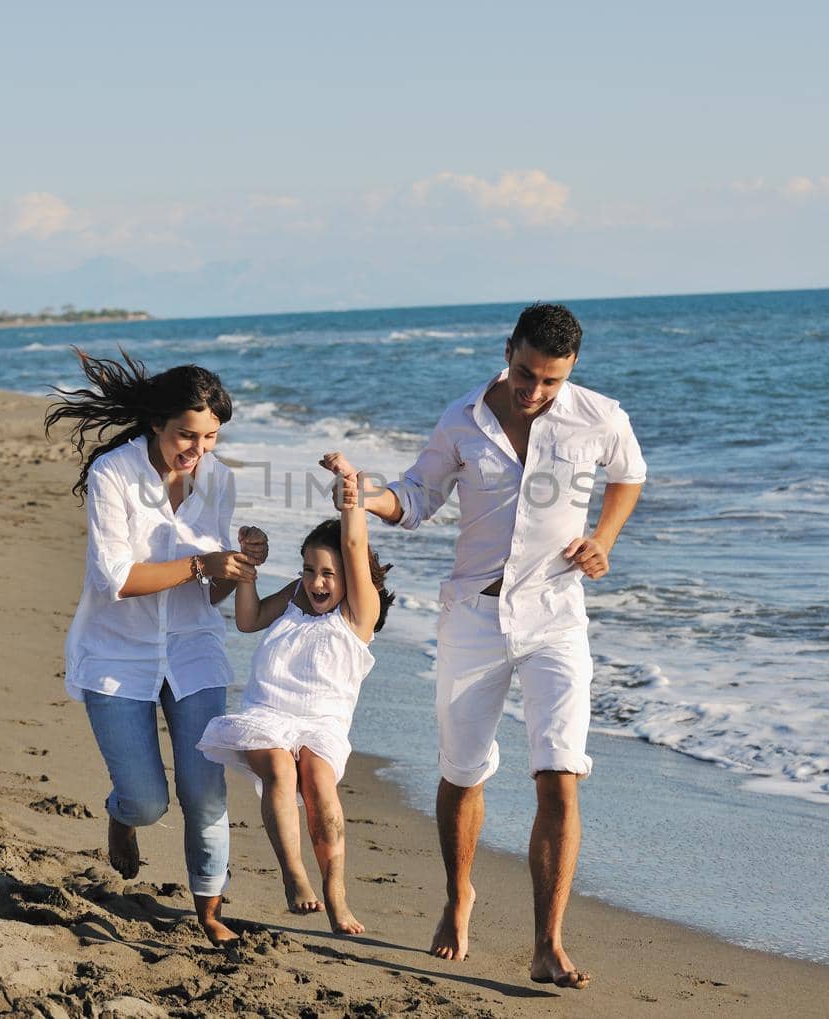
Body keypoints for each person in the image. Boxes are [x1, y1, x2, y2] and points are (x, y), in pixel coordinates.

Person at [353, 304, 645, 987]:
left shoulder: (599, 415)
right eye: (524, 373)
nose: (534, 392)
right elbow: (416, 497)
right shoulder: (462, 418)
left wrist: (603, 539)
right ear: (507, 349)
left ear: (570, 370)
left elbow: (629, 473)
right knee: (462, 771)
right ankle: (460, 896)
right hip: (472, 619)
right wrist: (367, 496)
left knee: (560, 774)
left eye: (549, 381)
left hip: (556, 616)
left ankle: (548, 941)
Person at [44, 348, 267, 945]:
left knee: (205, 790)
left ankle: (209, 911)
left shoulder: (219, 481)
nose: (197, 452)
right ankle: (122, 818)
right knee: (147, 802)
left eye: (211, 437)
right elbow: (117, 579)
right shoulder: (113, 475)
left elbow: (212, 595)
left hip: (195, 650)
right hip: (116, 655)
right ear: (156, 426)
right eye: (185, 437)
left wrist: (238, 567)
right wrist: (201, 562)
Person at [196, 452, 394, 936]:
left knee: (319, 781)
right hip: (267, 714)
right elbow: (246, 620)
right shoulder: (293, 598)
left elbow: (352, 539)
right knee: (282, 768)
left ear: (352, 577)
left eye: (327, 573)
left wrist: (350, 484)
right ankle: (293, 874)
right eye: (308, 570)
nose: (316, 581)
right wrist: (247, 576)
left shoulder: (357, 617)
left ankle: (336, 891)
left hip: (322, 725)